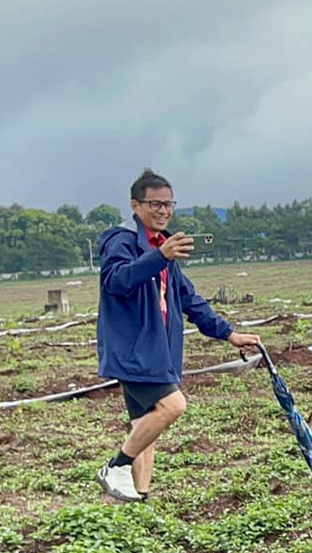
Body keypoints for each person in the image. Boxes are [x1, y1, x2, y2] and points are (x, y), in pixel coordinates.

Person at [94, 169, 259, 502]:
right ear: (135, 205)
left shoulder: (163, 246)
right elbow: (117, 281)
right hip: (133, 352)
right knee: (172, 406)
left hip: (159, 352)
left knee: (145, 426)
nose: (163, 211)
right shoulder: (122, 240)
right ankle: (116, 467)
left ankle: (133, 499)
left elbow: (189, 299)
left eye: (168, 205)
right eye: (155, 204)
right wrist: (160, 257)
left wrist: (229, 334)